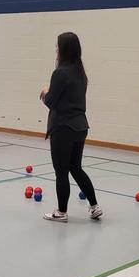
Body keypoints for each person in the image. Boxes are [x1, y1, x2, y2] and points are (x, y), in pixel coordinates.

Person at [39, 32, 102, 222]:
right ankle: (94, 206)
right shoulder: (80, 73)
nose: (56, 49)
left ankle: (61, 212)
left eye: (57, 46)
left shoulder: (60, 73)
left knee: (61, 171)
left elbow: (51, 102)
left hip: (63, 127)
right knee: (76, 168)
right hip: (80, 126)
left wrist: (45, 93)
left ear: (64, 49)